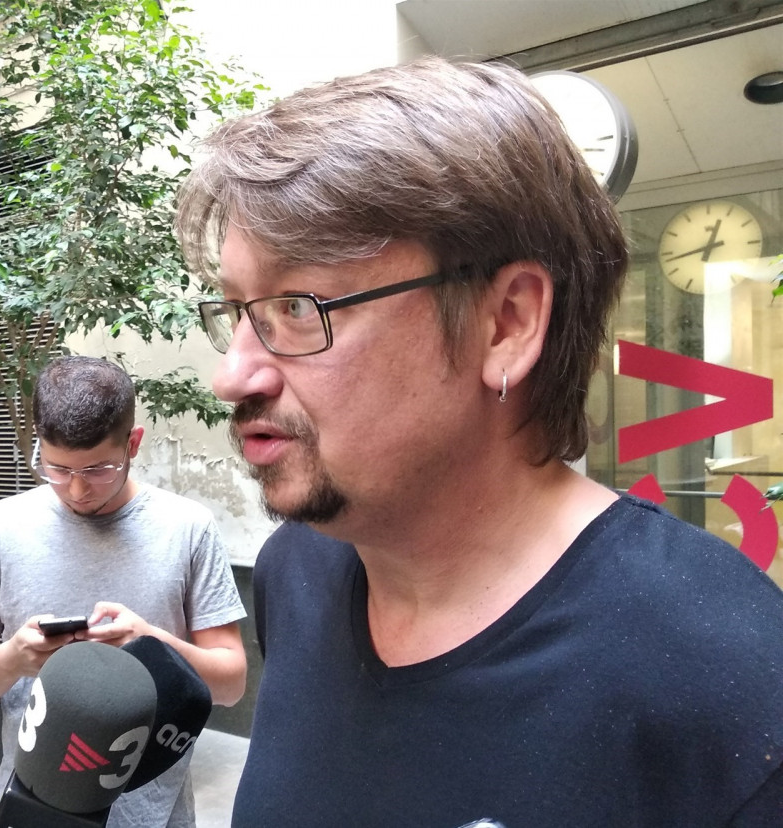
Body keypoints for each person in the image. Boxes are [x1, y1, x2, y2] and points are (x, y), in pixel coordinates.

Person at [174, 56, 783, 827]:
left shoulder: (734, 679)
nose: (232, 376)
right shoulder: (296, 571)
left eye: (298, 308)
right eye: (236, 310)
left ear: (507, 324)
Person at [0, 355, 247, 828]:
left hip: (157, 816)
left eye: (98, 469)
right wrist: (13, 660)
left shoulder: (188, 528)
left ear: (133, 443)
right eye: (57, 469)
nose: (76, 489)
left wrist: (151, 644)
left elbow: (231, 684)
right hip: (32, 810)